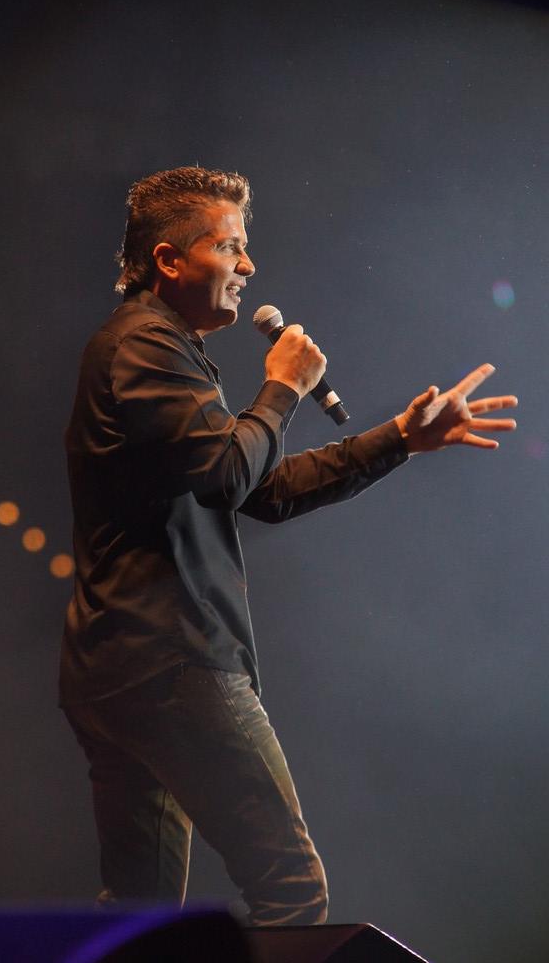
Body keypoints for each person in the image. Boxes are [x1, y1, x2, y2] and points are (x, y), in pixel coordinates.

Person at [60, 166, 516, 925]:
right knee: (291, 889)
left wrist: (400, 437)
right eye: (228, 247)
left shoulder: (158, 348)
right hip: (172, 661)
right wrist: (283, 387)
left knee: (138, 918)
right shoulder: (143, 346)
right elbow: (230, 472)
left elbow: (261, 490)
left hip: (124, 665)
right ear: (168, 260)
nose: (247, 266)